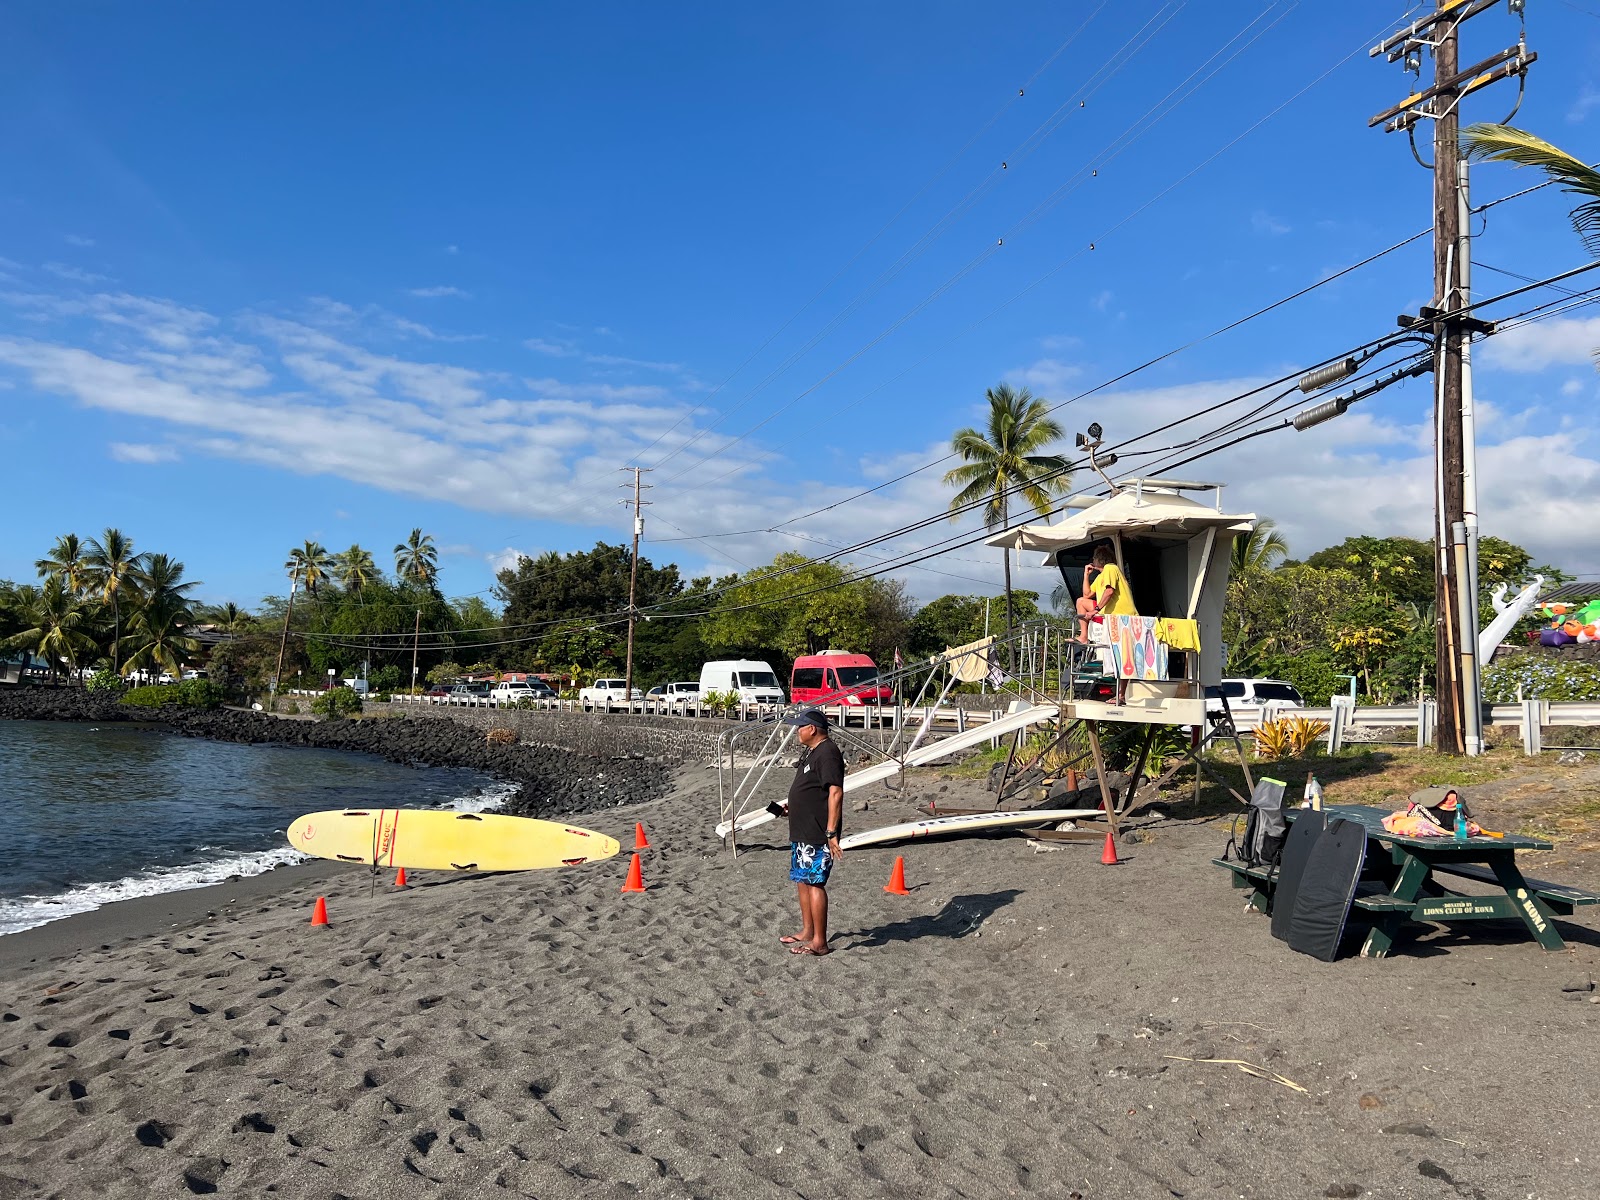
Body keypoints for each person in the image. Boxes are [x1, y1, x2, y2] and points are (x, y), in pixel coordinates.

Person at [779, 708, 845, 957]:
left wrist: (831, 832)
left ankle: (819, 942)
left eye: (800, 726)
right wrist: (791, 806)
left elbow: (835, 792)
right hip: (802, 829)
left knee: (815, 882)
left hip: (818, 831)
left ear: (812, 729)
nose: (797, 730)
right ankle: (808, 931)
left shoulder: (828, 753)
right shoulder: (812, 751)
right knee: (802, 880)